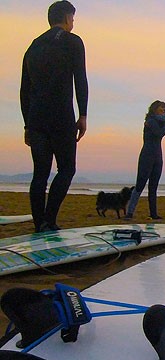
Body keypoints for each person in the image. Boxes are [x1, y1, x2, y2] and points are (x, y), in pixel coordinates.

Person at [20, 1, 88, 233]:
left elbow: (24, 90)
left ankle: (40, 224)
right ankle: (49, 219)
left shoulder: (33, 47)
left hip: (36, 118)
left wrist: (27, 124)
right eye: (73, 18)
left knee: (40, 173)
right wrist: (83, 114)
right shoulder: (73, 42)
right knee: (66, 169)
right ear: (68, 17)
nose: (73, 23)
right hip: (61, 116)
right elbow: (80, 79)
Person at [125, 101, 165, 220]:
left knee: (153, 187)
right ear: (154, 109)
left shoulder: (161, 121)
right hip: (147, 156)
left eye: (164, 108)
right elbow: (159, 133)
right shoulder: (150, 121)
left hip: (158, 157)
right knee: (140, 185)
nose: (163, 110)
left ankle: (153, 213)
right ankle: (130, 212)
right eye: (161, 108)